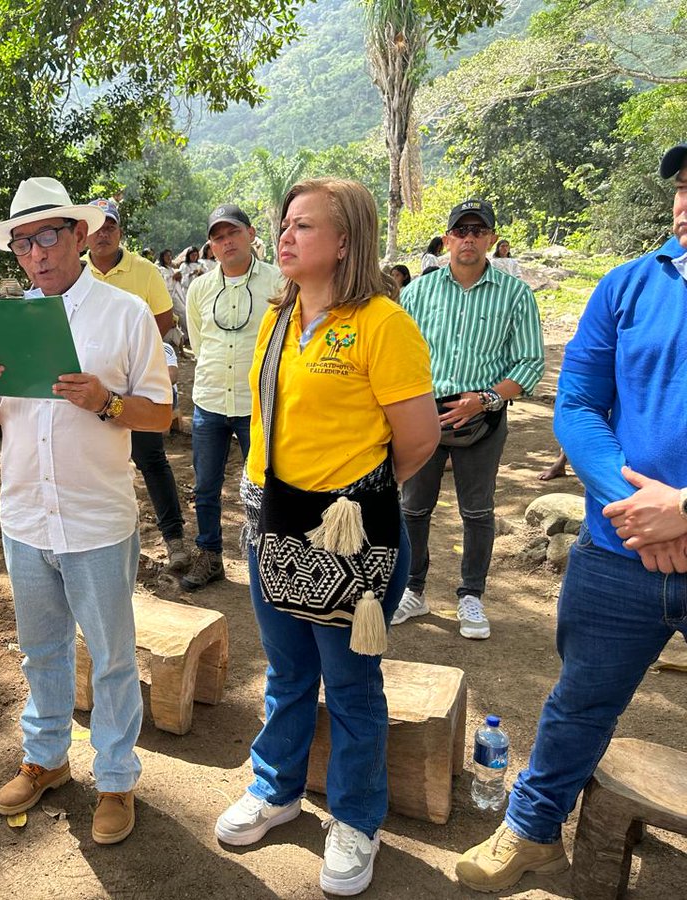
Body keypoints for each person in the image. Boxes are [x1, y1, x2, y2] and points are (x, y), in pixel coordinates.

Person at [454, 143, 687, 892]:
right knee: (580, 699)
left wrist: (683, 510)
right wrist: (632, 508)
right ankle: (531, 831)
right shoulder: (627, 287)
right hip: (619, 552)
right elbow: (579, 406)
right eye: (683, 183)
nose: (684, 198)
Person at [215, 178, 438, 897]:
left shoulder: (381, 323)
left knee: (350, 684)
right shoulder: (281, 315)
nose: (284, 234)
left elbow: (417, 441)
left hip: (347, 536)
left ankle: (354, 818)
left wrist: (348, 499)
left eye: (304, 226)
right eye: (284, 223)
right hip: (268, 526)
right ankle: (277, 789)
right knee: (285, 674)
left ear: (346, 241)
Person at [0, 177, 172, 845]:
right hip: (24, 514)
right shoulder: (8, 321)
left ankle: (116, 779)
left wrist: (107, 402)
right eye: (23, 243)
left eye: (48, 235)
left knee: (110, 656)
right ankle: (46, 760)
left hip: (95, 518)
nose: (36, 253)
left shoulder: (126, 315)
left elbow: (162, 415)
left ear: (81, 237)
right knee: (40, 651)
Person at [395, 200, 545, 639]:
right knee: (412, 508)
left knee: (477, 511)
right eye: (461, 231)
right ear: (446, 240)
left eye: (479, 231)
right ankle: (413, 589)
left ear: (492, 240)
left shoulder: (515, 294)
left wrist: (483, 400)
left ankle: (471, 596)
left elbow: (530, 362)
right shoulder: (418, 293)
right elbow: (398, 357)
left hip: (484, 417)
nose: (469, 239)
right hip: (425, 415)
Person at [182, 204, 285, 591]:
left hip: (258, 404)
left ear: (251, 233)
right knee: (205, 487)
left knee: (265, 483)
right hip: (209, 400)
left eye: (232, 233)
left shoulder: (278, 282)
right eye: (218, 237)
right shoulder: (201, 287)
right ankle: (209, 556)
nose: (226, 242)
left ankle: (269, 560)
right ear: (211, 246)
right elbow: (198, 339)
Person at [85, 197, 188, 573]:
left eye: (110, 226)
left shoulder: (144, 271)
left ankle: (174, 539)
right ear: (84, 234)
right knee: (94, 460)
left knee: (151, 459)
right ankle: (105, 543)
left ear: (119, 231)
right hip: (88, 389)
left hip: (137, 385)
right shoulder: (74, 272)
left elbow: (162, 319)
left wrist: (130, 353)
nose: (103, 234)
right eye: (96, 228)